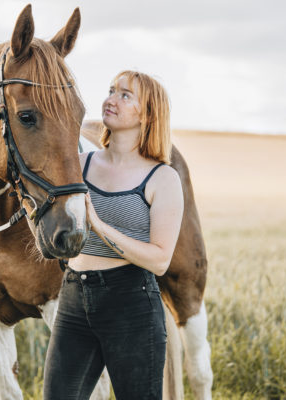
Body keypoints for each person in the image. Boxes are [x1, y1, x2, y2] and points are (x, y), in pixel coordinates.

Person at [43, 70, 184, 400]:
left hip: (131, 306)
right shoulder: (79, 165)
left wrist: (101, 227)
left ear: (148, 114)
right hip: (74, 300)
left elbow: (160, 260)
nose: (110, 100)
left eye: (125, 95)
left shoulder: (162, 178)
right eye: (110, 91)